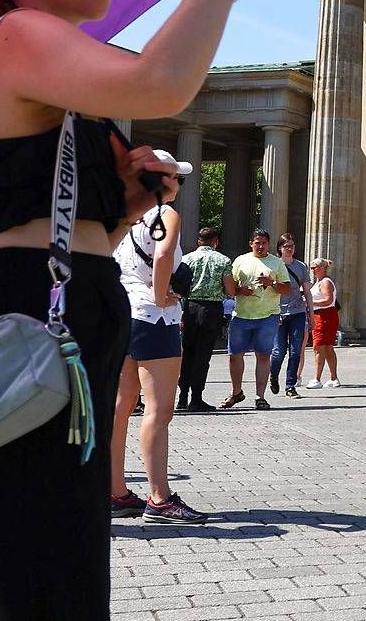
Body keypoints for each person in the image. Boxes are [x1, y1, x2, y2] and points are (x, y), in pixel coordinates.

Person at [0, 0, 259, 618]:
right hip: (30, 318)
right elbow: (161, 84)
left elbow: (35, 223)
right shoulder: (19, 34)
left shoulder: (44, 64)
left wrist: (126, 206)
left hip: (49, 313)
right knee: (31, 579)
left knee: (28, 572)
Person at [108, 155, 206, 525]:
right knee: (159, 409)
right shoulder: (167, 214)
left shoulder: (125, 216)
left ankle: (115, 490)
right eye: (176, 177)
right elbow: (164, 254)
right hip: (154, 316)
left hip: (123, 313)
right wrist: (163, 294)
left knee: (120, 406)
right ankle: (160, 497)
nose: (179, 183)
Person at [222, 229, 287, 410]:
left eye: (264, 243)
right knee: (234, 356)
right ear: (251, 243)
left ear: (268, 244)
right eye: (257, 242)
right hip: (241, 315)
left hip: (268, 316)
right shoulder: (240, 261)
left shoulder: (276, 262)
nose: (260, 246)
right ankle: (236, 392)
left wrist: (271, 283)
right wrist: (239, 290)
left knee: (263, 356)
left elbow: (287, 289)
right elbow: (229, 285)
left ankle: (260, 397)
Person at [177, 226, 230, 412]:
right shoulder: (223, 260)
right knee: (203, 355)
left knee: (188, 354)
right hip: (211, 310)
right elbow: (230, 289)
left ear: (199, 241)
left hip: (190, 308)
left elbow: (180, 285)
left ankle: (182, 398)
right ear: (216, 241)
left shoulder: (186, 259)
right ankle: (196, 398)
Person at [268, 233, 311, 399]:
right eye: (286, 246)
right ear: (280, 248)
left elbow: (307, 292)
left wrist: (311, 316)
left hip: (298, 312)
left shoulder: (301, 266)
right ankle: (273, 375)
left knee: (295, 351)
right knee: (279, 351)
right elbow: (270, 290)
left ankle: (290, 385)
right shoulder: (274, 265)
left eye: (292, 246)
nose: (290, 249)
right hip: (278, 312)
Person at [305, 258, 341, 389]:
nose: (313, 270)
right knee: (326, 347)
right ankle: (333, 378)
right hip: (322, 315)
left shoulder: (325, 282)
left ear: (322, 268)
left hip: (324, 315)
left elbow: (328, 300)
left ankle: (317, 378)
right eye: (312, 267)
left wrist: (310, 303)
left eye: (315, 267)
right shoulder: (319, 282)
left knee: (319, 347)